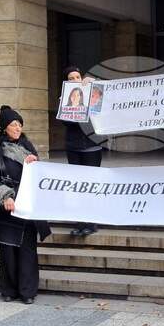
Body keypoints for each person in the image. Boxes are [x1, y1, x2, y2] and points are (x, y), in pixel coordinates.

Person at [0, 106, 51, 304]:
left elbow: (38, 175)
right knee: (8, 250)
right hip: (6, 205)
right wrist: (5, 196)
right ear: (5, 127)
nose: (18, 128)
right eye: (14, 124)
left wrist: (35, 163)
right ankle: (9, 289)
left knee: (27, 249)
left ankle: (28, 291)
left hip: (26, 204)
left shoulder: (27, 147)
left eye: (20, 124)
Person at [62, 66, 103, 236]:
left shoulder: (92, 92)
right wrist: (69, 107)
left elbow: (101, 109)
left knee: (90, 185)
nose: (75, 80)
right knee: (78, 186)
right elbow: (66, 122)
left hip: (92, 146)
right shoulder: (66, 97)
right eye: (71, 78)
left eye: (77, 77)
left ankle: (91, 223)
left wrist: (94, 83)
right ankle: (80, 222)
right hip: (73, 147)